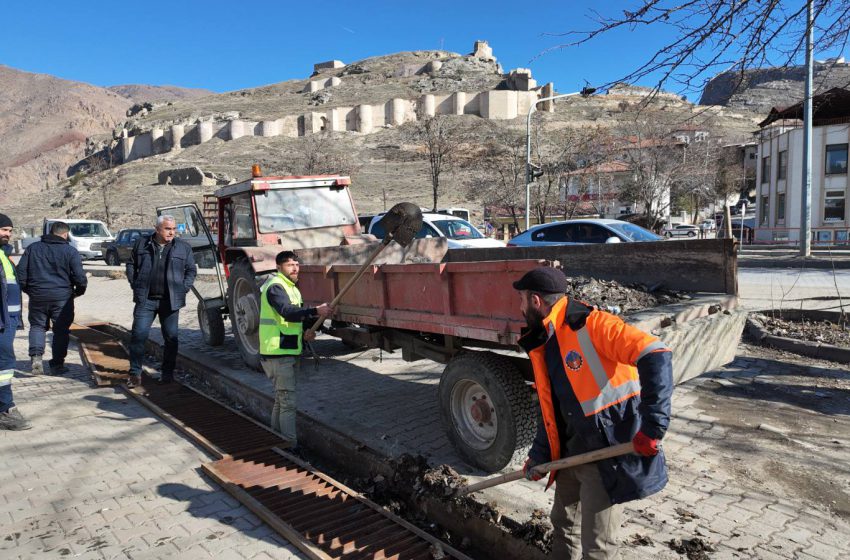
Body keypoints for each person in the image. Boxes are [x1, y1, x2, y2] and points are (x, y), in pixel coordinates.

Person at [513, 266, 673, 559]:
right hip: (569, 455)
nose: (520, 307)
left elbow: (656, 353)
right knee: (563, 525)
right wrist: (540, 455)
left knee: (597, 545)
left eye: (522, 299)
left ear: (536, 301)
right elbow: (552, 407)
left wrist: (653, 427)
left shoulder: (592, 324)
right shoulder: (546, 338)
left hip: (604, 456)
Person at [259, 250, 333, 447]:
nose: (294, 268)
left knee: (281, 400)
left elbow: (293, 321)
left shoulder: (292, 288)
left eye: (296, 264)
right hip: (277, 353)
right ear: (278, 267)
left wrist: (306, 332)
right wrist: (316, 310)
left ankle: (274, 438)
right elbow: (287, 312)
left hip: (287, 350)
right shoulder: (276, 287)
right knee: (288, 403)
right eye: (289, 264)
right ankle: (290, 446)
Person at [126, 215, 196, 387]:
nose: (171, 232)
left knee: (171, 338)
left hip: (170, 302)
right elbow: (130, 264)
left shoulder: (183, 247)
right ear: (157, 229)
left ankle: (167, 374)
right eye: (167, 228)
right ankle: (135, 374)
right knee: (138, 335)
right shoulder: (142, 243)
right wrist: (135, 283)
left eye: (174, 229)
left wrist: (183, 287)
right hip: (146, 300)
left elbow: (191, 270)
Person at [16, 221, 87, 375]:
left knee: (37, 326)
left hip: (38, 296)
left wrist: (29, 290)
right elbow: (80, 277)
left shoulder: (32, 249)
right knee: (61, 330)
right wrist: (78, 292)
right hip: (62, 297)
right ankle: (57, 365)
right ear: (65, 234)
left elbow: (20, 274)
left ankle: (36, 358)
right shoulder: (70, 251)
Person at [0, 213, 31, 430]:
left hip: (8, 320)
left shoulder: (4, 255)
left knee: (4, 365)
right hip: (1, 321)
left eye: (10, 231)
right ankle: (5, 408)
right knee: (4, 364)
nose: (8, 234)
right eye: (4, 230)